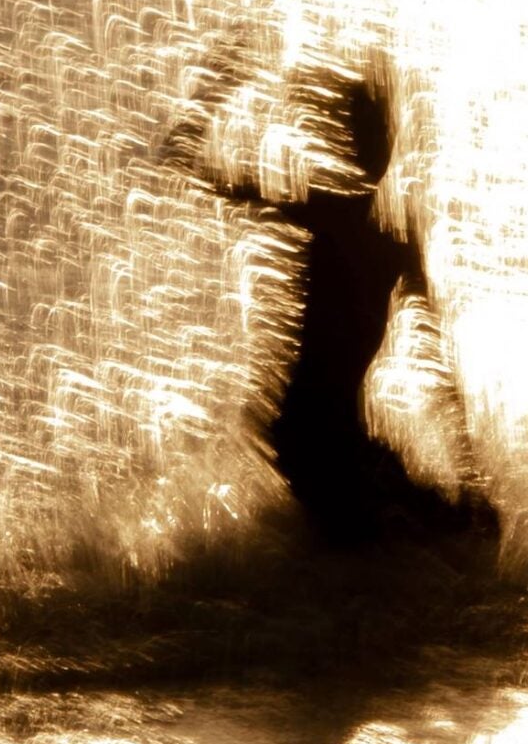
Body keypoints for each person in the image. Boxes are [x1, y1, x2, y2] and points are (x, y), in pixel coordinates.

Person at [169, 58, 489, 547]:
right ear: (348, 146)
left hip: (332, 434)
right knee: (412, 548)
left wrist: (470, 475)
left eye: (377, 134)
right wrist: (216, 85)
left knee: (449, 534)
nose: (375, 148)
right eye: (363, 135)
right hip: (307, 434)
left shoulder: (394, 242)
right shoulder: (327, 214)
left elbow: (439, 368)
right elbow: (185, 161)